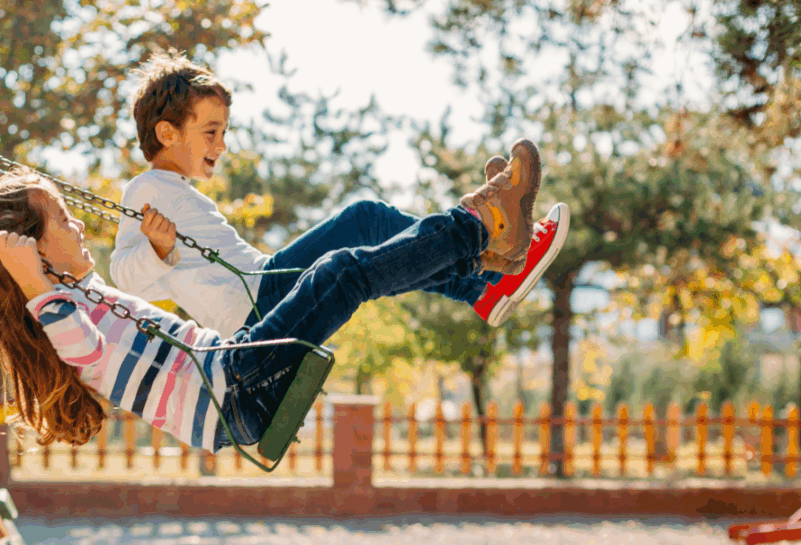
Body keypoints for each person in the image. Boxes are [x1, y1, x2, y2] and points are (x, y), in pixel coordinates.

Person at [0, 152, 555, 453]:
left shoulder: (74, 296)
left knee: (343, 263)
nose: (77, 222)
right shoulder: (57, 315)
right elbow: (89, 349)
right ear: (31, 253)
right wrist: (33, 284)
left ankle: (482, 258)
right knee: (339, 273)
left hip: (233, 371)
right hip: (232, 387)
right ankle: (478, 228)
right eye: (61, 218)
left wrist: (47, 281)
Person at [110, 50, 568, 337]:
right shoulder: (147, 188)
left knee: (375, 250)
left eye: (224, 131)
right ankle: (488, 268)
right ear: (167, 133)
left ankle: (484, 284)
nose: (222, 145)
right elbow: (125, 280)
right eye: (210, 131)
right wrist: (156, 248)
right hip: (255, 304)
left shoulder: (171, 189)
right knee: (365, 219)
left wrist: (161, 251)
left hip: (259, 291)